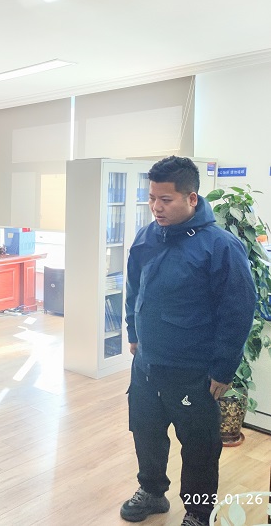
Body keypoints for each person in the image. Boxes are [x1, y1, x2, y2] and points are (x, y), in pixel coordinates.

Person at [120, 156, 255, 526]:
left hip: (193, 369)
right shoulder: (147, 236)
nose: (156, 207)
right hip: (147, 364)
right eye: (152, 198)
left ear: (192, 198)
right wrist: (133, 333)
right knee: (146, 432)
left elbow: (238, 311)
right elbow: (134, 288)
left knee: (199, 446)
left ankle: (198, 510)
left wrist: (223, 369)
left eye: (166, 200)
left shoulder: (220, 246)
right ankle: (151, 491)